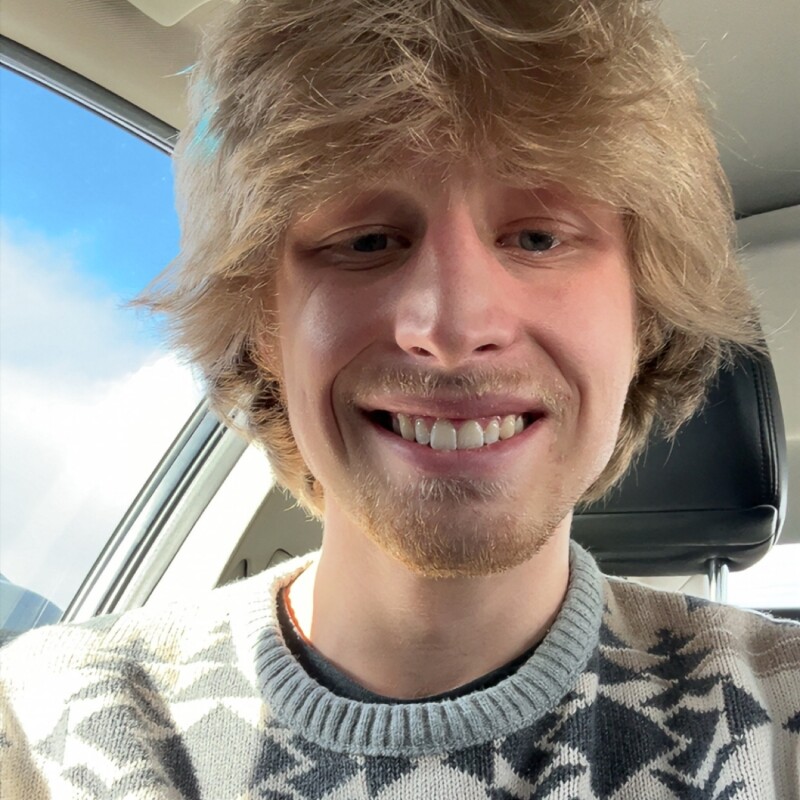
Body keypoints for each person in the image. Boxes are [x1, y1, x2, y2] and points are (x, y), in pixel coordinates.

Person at [2, 0, 798, 797]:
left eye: (538, 237)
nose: (452, 327)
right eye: (366, 241)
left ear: (643, 319)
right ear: (264, 327)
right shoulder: (41, 731)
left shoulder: (780, 719)